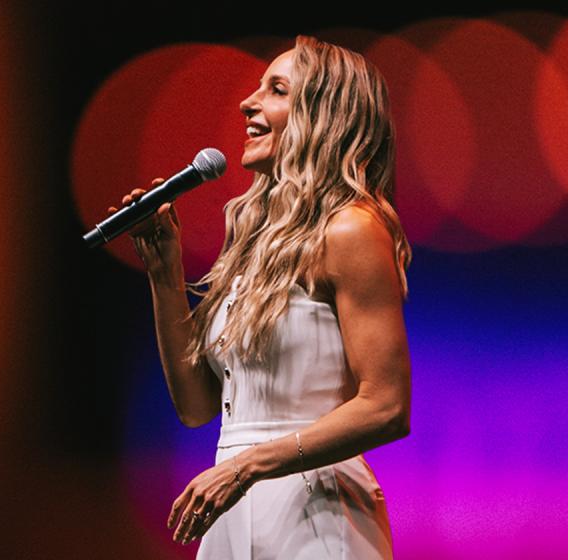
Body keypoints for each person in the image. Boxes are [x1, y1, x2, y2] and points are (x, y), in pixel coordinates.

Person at [107, 34, 412, 559]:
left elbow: (386, 405)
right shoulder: (254, 241)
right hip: (232, 505)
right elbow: (198, 407)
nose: (248, 103)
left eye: (276, 90)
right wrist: (164, 272)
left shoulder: (350, 230)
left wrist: (248, 465)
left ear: (325, 116)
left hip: (315, 511)